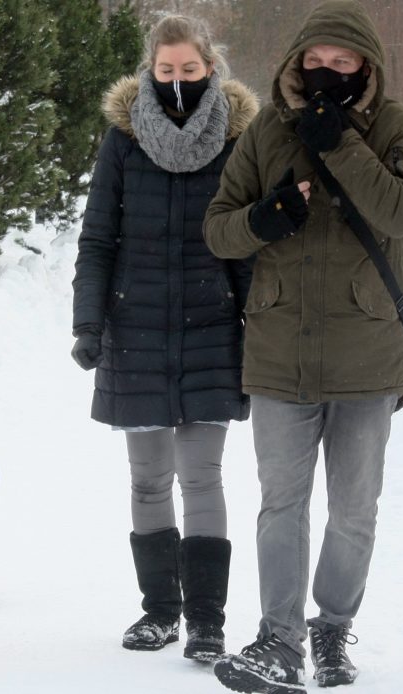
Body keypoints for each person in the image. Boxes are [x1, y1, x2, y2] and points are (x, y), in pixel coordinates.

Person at [202, 1, 403, 691]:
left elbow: (399, 211)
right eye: (316, 58)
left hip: (367, 351)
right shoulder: (267, 130)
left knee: (354, 508)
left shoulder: (399, 129)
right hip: (279, 351)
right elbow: (218, 230)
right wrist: (267, 217)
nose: (327, 70)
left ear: (367, 66)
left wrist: (339, 143)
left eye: (343, 60)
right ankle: (279, 640)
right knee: (281, 502)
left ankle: (330, 629)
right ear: (297, 60)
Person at [71, 15, 259, 662]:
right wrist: (88, 323)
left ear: (211, 68)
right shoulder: (122, 142)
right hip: (137, 327)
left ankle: (208, 619)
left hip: (211, 331)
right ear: (150, 70)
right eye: (166, 70)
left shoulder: (239, 141)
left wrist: (259, 328)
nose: (177, 80)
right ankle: (160, 611)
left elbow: (248, 251)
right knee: (148, 480)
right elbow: (97, 240)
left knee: (202, 476)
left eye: (189, 70)